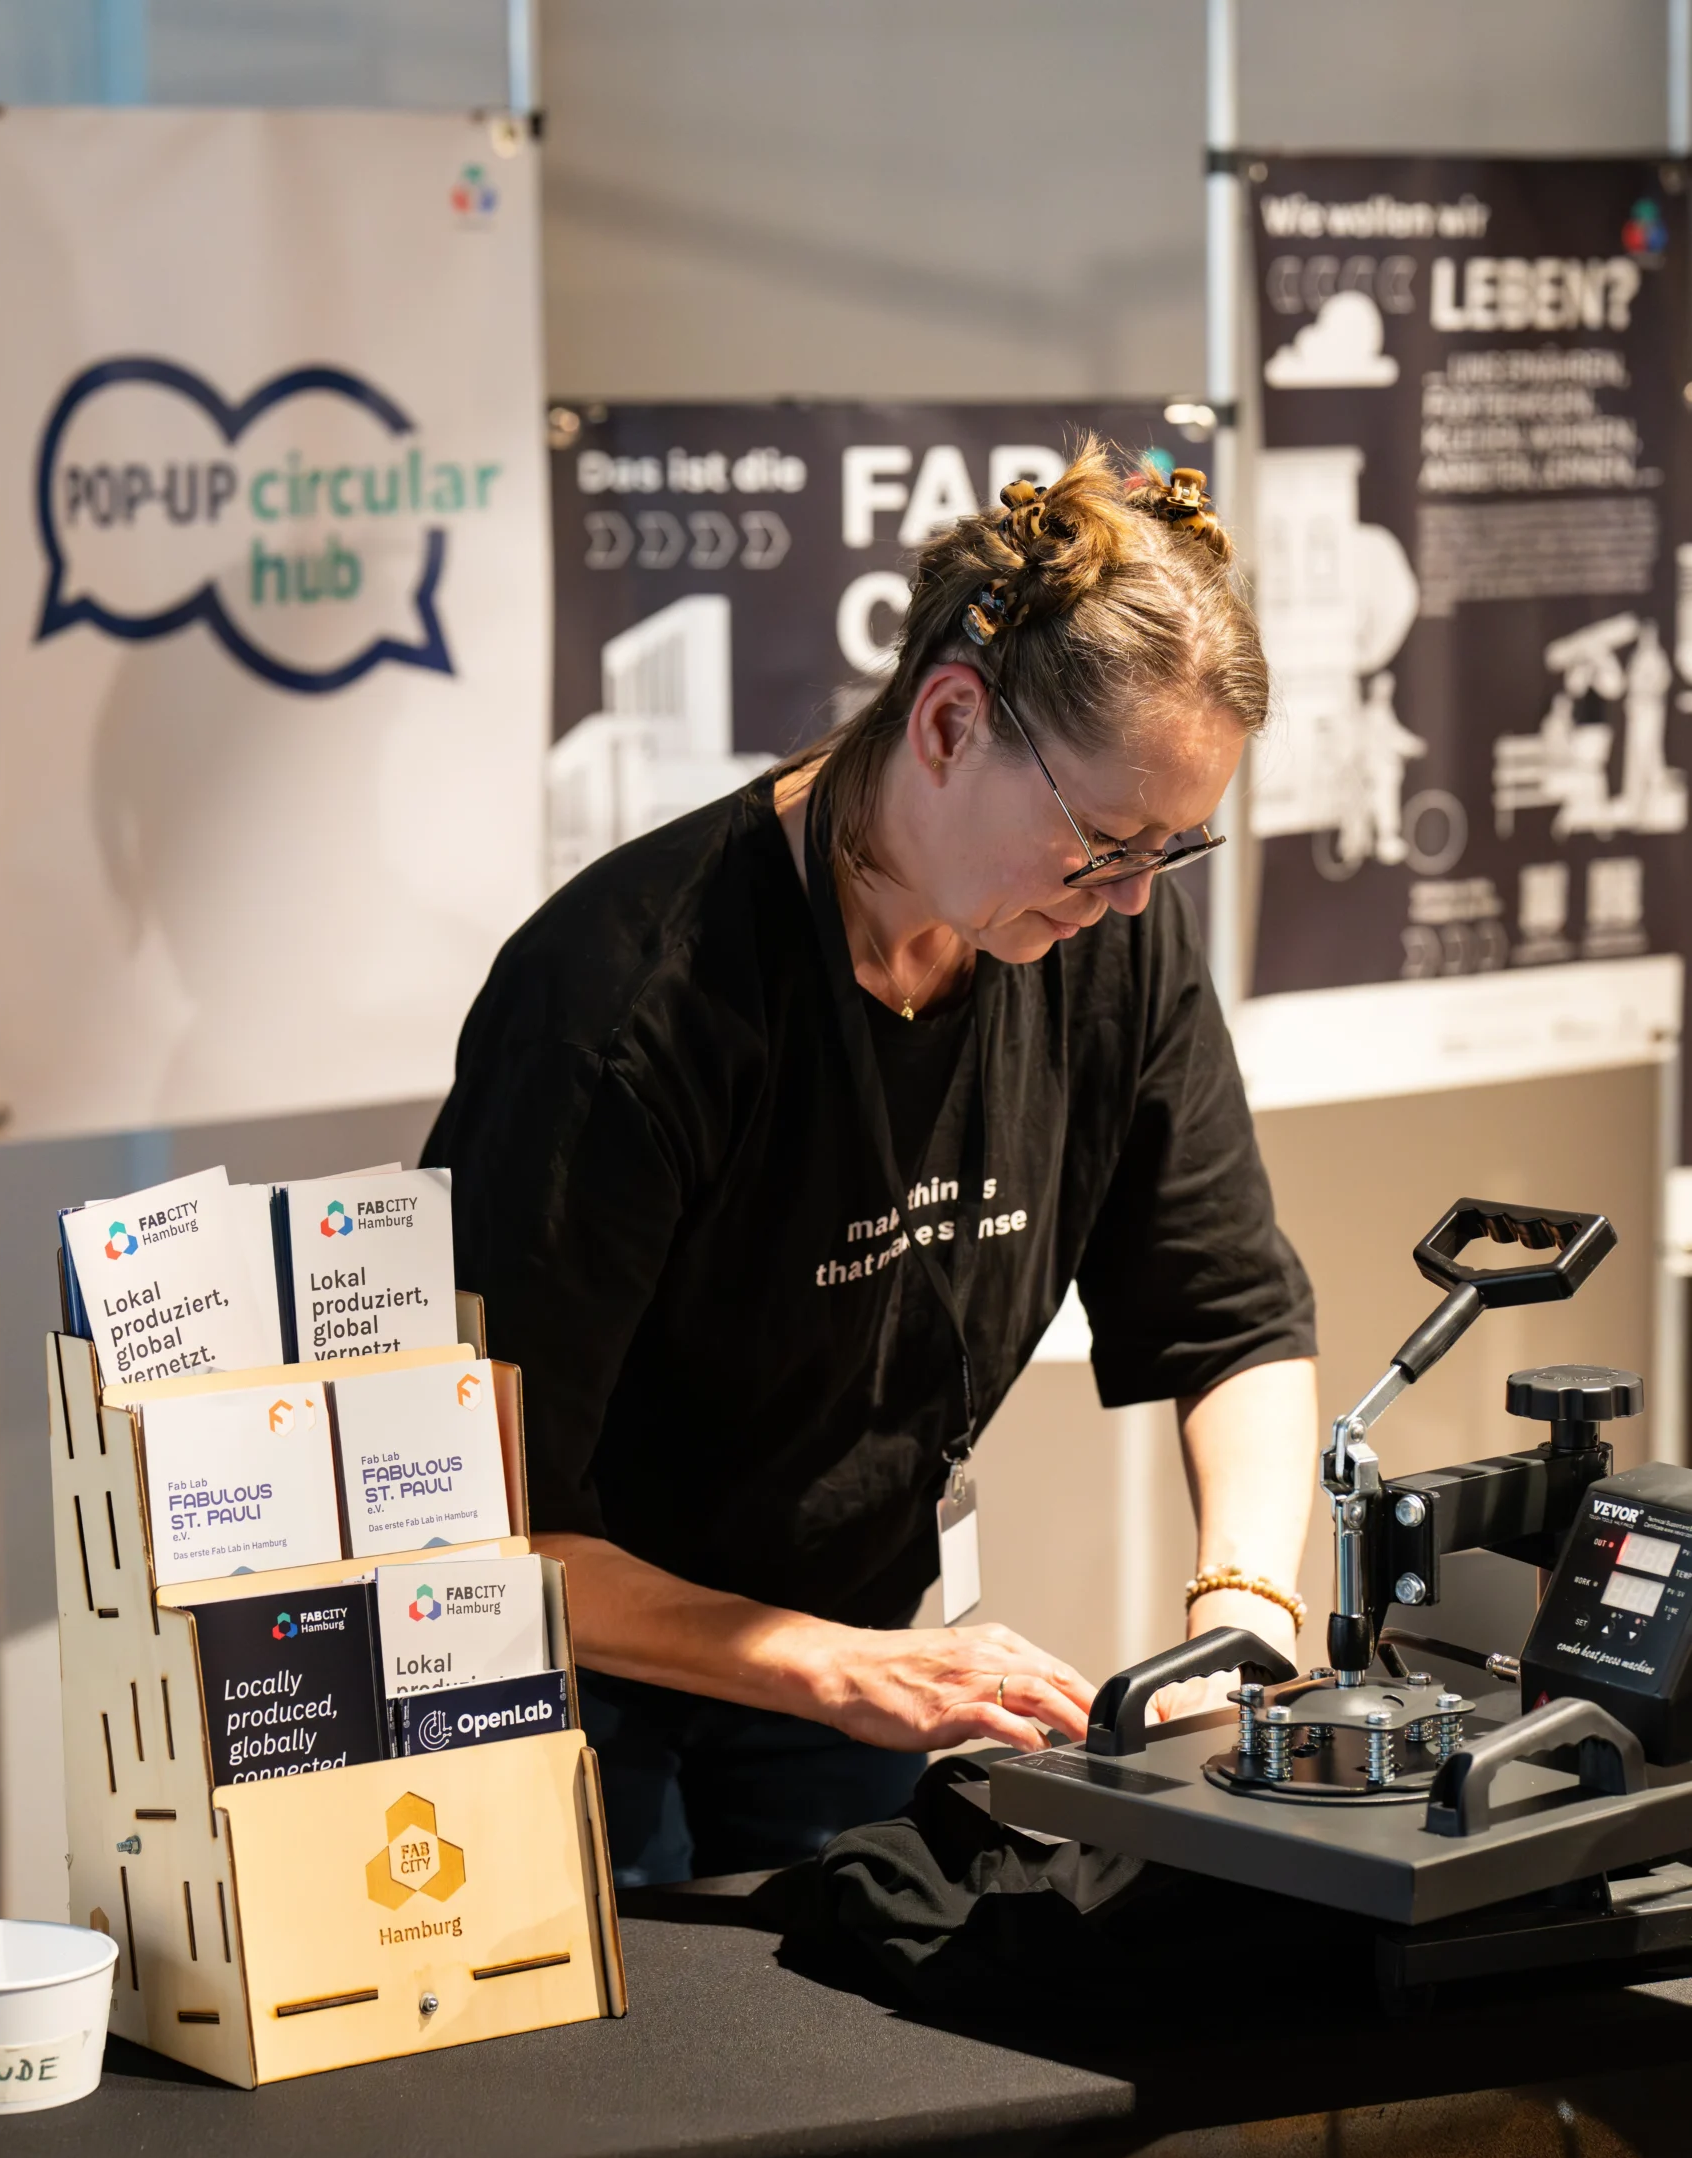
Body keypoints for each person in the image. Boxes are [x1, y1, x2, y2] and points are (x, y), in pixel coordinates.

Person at [426, 440, 1318, 1886]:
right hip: (577, 1665)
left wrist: (1246, 1611)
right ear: (950, 722)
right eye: (1103, 841)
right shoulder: (624, 1008)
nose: (1135, 898)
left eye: (1177, 847)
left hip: (854, 1645)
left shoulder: (1110, 945)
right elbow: (476, 1525)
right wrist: (837, 1671)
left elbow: (1233, 1319)